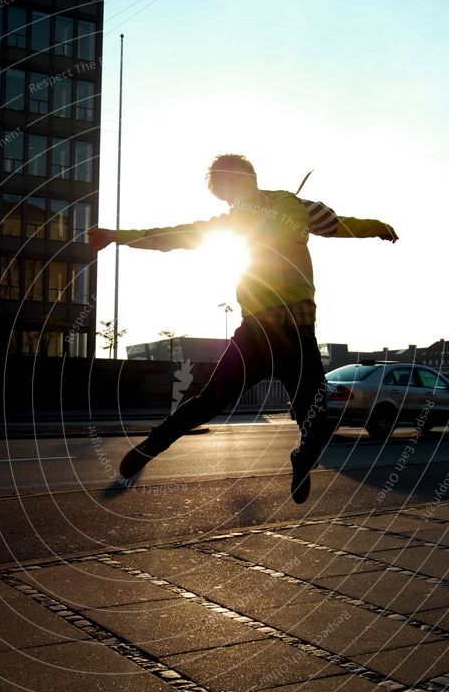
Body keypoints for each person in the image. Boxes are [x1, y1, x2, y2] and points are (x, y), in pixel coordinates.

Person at [89, 154, 398, 503]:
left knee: (317, 417)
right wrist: (117, 235)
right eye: (225, 195)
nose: (232, 199)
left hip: (298, 334)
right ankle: (149, 447)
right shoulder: (233, 223)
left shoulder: (294, 205)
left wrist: (378, 227)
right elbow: (175, 235)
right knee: (209, 401)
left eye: (232, 185)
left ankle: (302, 458)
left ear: (249, 176)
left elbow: (341, 224)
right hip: (255, 333)